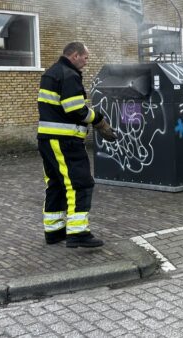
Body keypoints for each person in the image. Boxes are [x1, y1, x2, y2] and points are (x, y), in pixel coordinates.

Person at [38, 42, 117, 248]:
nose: (86, 61)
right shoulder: (69, 75)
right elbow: (75, 108)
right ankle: (78, 232)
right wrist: (98, 120)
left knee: (56, 184)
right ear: (74, 55)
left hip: (48, 140)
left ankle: (54, 231)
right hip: (66, 141)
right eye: (85, 57)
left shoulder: (52, 72)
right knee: (79, 183)